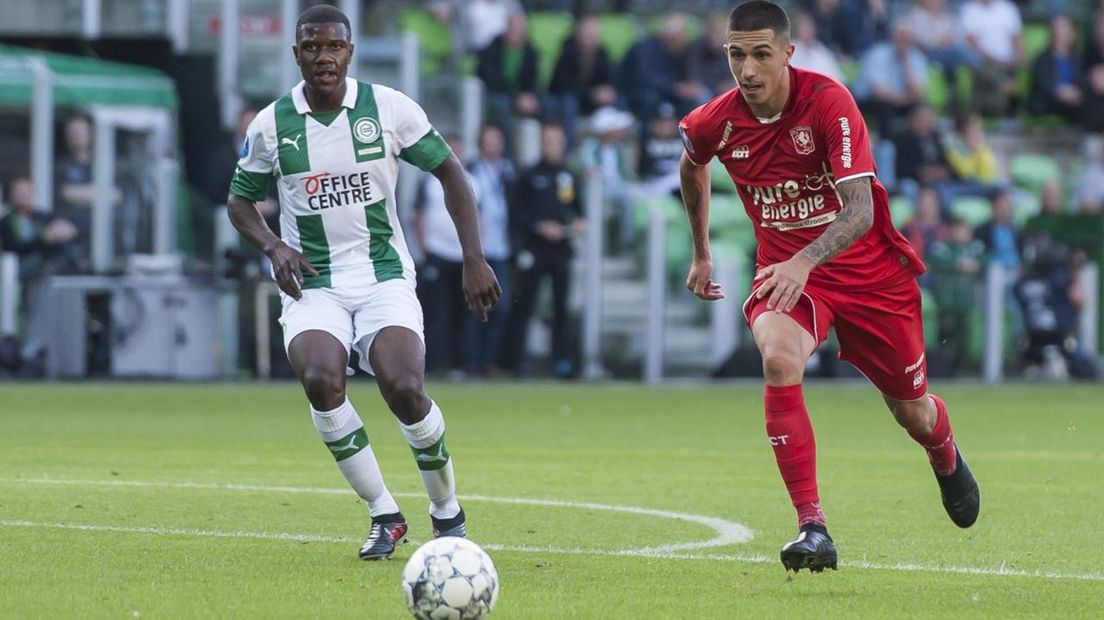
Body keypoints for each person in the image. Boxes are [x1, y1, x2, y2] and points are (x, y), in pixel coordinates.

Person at [678, 1, 979, 573]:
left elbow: (861, 210)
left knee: (911, 411)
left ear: (788, 54)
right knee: (777, 358)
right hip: (788, 277)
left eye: (762, 55)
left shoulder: (828, 103)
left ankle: (943, 452)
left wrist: (805, 261)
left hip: (869, 276)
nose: (748, 70)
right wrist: (701, 252)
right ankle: (812, 525)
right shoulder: (714, 120)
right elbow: (692, 163)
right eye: (737, 55)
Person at [225, 5, 500, 561]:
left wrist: (474, 256)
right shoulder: (271, 125)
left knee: (404, 388)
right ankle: (384, 514)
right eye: (312, 47)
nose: (323, 56)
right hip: (313, 282)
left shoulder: (389, 108)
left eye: (333, 47)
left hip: (383, 275)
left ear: (350, 52)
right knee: (322, 381)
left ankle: (448, 513)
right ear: (296, 53)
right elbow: (239, 201)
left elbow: (450, 171)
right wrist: (275, 245)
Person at [501, 122, 584, 378]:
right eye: (548, 141)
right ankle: (514, 361)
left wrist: (578, 223)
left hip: (561, 250)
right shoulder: (528, 175)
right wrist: (539, 228)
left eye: (556, 141)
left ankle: (562, 362)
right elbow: (517, 213)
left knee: (561, 308)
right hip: (534, 251)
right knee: (525, 305)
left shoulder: (568, 175)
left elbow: (579, 211)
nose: (553, 146)